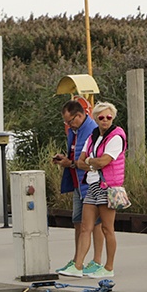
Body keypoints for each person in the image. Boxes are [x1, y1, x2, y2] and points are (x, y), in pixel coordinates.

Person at [58, 102, 126, 279]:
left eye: (108, 117)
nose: (105, 120)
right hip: (92, 185)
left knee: (107, 228)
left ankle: (108, 266)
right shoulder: (93, 136)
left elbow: (103, 161)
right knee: (85, 226)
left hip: (108, 186)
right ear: (96, 118)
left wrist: (89, 161)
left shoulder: (116, 136)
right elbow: (80, 161)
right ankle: (78, 265)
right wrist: (90, 161)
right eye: (101, 117)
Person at [52, 100, 104, 275]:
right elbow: (75, 153)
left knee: (95, 223)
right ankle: (77, 260)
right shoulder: (73, 131)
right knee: (77, 222)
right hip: (77, 183)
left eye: (70, 121)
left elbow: (90, 161)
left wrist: (71, 163)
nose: (68, 125)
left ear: (80, 115)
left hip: (90, 182)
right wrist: (64, 159)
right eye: (66, 122)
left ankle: (96, 260)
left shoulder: (91, 130)